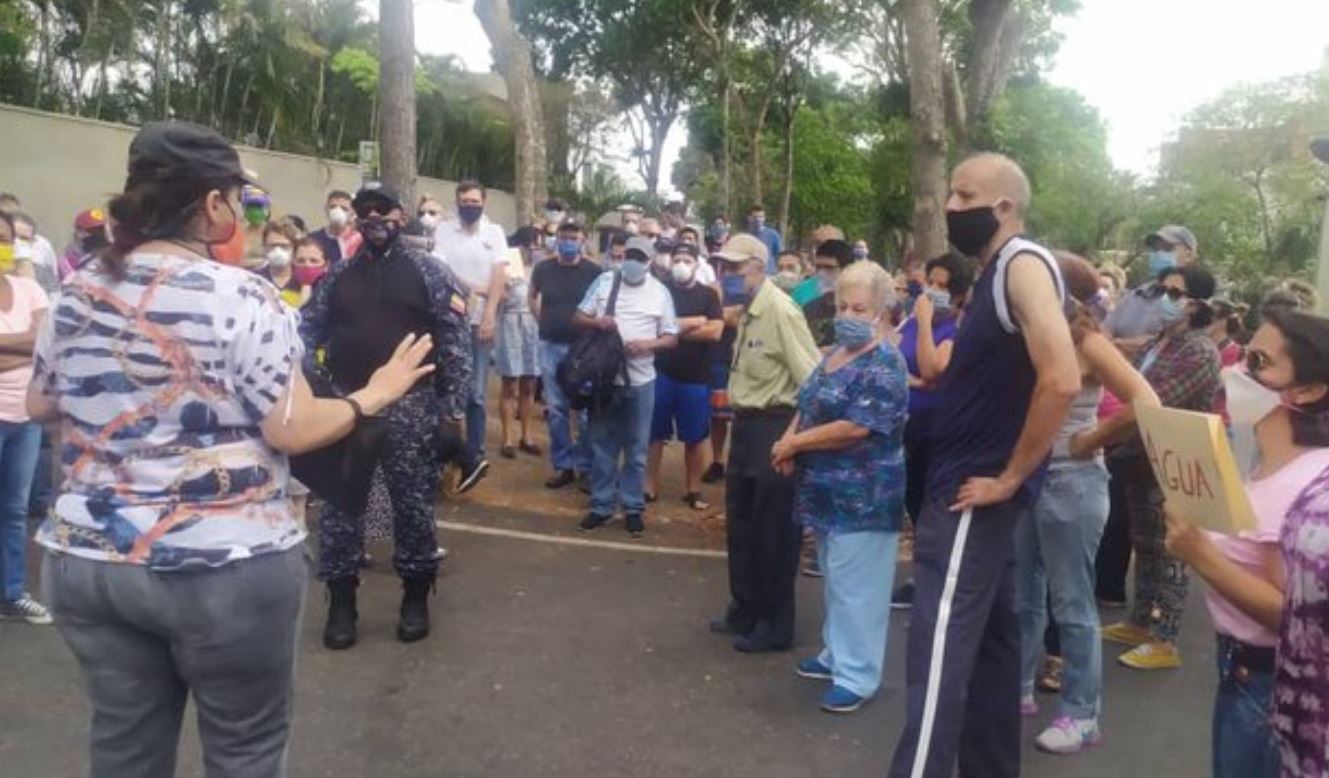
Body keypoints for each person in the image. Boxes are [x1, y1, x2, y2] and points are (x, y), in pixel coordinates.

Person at [27, 121, 434, 776]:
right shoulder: (243, 295)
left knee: (124, 749)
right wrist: (373, 395)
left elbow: (40, 404)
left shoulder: (74, 292)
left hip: (89, 561)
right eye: (237, 200)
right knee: (244, 752)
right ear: (212, 204)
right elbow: (292, 428)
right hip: (221, 565)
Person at [888, 153, 1079, 778]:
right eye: (950, 193)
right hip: (969, 487)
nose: (950, 206)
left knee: (938, 655)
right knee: (996, 651)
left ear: (1003, 207)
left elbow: (1062, 377)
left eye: (965, 195)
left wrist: (1013, 476)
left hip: (972, 492)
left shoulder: (1021, 264)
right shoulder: (996, 272)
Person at [301, 181, 474, 650]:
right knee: (340, 510)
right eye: (365, 211)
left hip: (411, 408)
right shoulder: (336, 276)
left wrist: (450, 411)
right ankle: (341, 605)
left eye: (383, 210)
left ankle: (415, 597)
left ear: (400, 215)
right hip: (348, 407)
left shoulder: (430, 272)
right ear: (356, 218)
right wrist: (318, 389)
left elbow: (455, 344)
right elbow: (305, 331)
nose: (374, 218)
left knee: (412, 508)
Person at [1162, 309, 1329, 778]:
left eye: (1259, 361)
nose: (1236, 370)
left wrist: (1200, 554)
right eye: (1244, 354)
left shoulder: (1308, 488)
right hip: (1238, 672)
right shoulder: (1262, 463)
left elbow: (1290, 616)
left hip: (1267, 684)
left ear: (1309, 390)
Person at [1013, 253, 1160, 754]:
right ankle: (1018, 688)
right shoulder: (1026, 335)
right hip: (1024, 481)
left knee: (1072, 603)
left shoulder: (1088, 341)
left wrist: (1091, 439)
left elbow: (1146, 400)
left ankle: (1081, 713)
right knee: (1024, 596)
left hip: (1071, 483)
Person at [773, 260, 907, 712]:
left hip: (865, 494)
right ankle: (836, 655)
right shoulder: (834, 353)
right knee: (836, 579)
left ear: (882, 310)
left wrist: (794, 444)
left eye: (860, 307)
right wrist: (790, 443)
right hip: (825, 491)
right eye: (843, 305)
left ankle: (858, 674)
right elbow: (809, 401)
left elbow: (856, 427)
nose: (849, 314)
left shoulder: (886, 363)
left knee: (859, 588)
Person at [1101, 264, 1222, 670]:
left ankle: (1165, 639)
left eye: (1175, 293)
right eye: (1163, 292)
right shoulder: (1159, 341)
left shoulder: (1199, 351)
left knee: (1172, 551)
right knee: (1145, 544)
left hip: (1176, 463)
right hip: (1142, 458)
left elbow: (1154, 399)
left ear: (1197, 304)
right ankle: (1140, 622)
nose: (1165, 301)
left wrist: (1103, 431)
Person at [708, 233, 821, 652]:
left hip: (775, 426)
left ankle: (775, 623)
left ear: (760, 265)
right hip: (746, 424)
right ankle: (746, 606)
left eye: (736, 268)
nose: (728, 276)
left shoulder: (779, 310)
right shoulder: (750, 312)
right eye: (724, 268)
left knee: (773, 529)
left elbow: (812, 382)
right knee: (741, 523)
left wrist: (792, 441)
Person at [573, 237, 678, 536]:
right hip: (605, 381)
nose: (633, 262)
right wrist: (598, 323)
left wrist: (649, 344)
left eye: (639, 257)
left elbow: (672, 335)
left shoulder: (660, 292)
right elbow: (578, 316)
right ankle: (601, 505)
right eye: (629, 255)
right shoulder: (605, 282)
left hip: (641, 380)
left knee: (636, 447)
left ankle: (633, 507)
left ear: (649, 262)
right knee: (601, 444)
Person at [889, 251, 975, 610]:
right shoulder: (909, 321)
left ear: (958, 294)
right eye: (931, 282)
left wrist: (924, 323)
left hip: (936, 430)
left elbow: (931, 370)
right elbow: (889, 356)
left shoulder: (956, 328)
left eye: (944, 286)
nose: (934, 291)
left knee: (932, 506)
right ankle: (922, 574)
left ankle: (933, 580)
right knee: (914, 504)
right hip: (905, 426)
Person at [0, 211, 52, 624]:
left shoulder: (30, 288)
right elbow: (31, 344)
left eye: (7, 238)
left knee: (14, 510)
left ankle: (12, 592)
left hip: (24, 416)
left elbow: (43, 342)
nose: (4, 245)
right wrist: (25, 349)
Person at [434, 180, 509, 464]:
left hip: (481, 322)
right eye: (465, 201)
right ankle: (445, 453)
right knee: (448, 389)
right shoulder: (444, 231)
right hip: (449, 322)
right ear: (457, 202)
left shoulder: (495, 232)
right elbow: (441, 270)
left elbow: (499, 275)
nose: (470, 206)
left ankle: (475, 454)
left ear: (484, 202)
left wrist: (489, 313)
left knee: (476, 393)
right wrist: (472, 287)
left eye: (475, 202)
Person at [645, 243, 722, 510]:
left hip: (696, 378)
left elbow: (715, 333)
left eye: (686, 259)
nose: (680, 264)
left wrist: (673, 329)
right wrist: (695, 321)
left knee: (695, 437)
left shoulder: (709, 295)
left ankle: (693, 489)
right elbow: (653, 327)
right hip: (662, 373)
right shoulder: (659, 290)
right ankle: (649, 486)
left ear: (697, 264)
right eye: (677, 259)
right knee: (655, 434)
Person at [530, 221, 602, 489]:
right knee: (557, 410)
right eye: (564, 237)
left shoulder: (594, 271)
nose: (569, 242)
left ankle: (585, 466)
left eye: (574, 237)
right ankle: (563, 466)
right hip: (550, 345)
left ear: (583, 239)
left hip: (582, 350)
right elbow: (532, 296)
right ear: (557, 239)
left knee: (583, 411)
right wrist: (543, 321)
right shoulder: (543, 268)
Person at [1103, 224, 1198, 358]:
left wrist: (1113, 345)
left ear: (1188, 255)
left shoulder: (1194, 303)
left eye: (1167, 248)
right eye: (1155, 249)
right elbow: (1105, 329)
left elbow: (1166, 344)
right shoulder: (1136, 294)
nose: (1158, 254)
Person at [495, 232, 541, 459]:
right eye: (529, 244)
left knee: (529, 384)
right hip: (510, 323)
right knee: (510, 383)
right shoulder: (505, 265)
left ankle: (527, 435)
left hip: (534, 326)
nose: (533, 249)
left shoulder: (541, 268)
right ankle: (508, 437)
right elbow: (497, 296)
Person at [801, 239, 854, 349]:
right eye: (818, 267)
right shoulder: (810, 308)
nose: (821, 274)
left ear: (848, 270)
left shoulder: (864, 309)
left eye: (829, 268)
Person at [308, 189, 363, 266]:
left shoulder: (359, 240)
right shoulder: (313, 239)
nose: (337, 211)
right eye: (332, 207)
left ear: (352, 213)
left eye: (344, 209)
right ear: (326, 209)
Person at [57, 208, 110, 281]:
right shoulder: (67, 262)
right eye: (93, 230)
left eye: (102, 229)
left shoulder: (116, 254)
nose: (99, 234)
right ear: (79, 232)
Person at [259, 221, 302, 307]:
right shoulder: (255, 280)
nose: (277, 251)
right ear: (264, 247)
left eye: (284, 246)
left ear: (294, 248)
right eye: (272, 246)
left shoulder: (303, 281)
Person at [747, 204, 783, 274]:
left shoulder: (773, 234)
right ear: (749, 218)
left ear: (764, 218)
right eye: (755, 217)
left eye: (761, 217)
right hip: (751, 275)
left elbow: (779, 255)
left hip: (769, 274)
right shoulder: (745, 237)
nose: (757, 220)